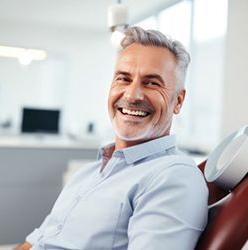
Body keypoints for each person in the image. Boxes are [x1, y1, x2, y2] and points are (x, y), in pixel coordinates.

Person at [16, 26, 208, 250]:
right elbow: (35, 242)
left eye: (151, 83)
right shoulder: (88, 172)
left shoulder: (173, 177)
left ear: (178, 101)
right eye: (124, 79)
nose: (132, 95)